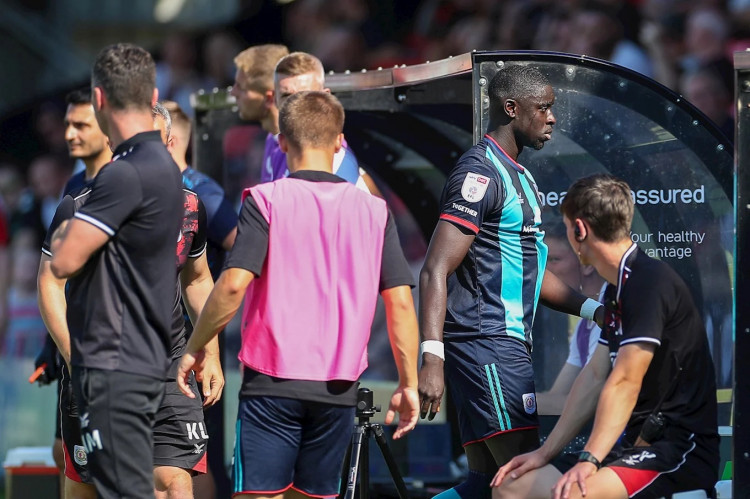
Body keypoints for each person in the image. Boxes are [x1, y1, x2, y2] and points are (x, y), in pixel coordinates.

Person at [176, 91, 420, 499]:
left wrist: (196, 345)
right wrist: (408, 382)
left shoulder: (265, 200)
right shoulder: (375, 211)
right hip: (340, 387)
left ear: (283, 142)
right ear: (340, 141)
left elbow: (233, 283)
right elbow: (399, 303)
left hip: (272, 382)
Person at [417, 64, 603, 499]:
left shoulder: (522, 176)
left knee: (487, 483)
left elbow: (532, 274)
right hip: (487, 344)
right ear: (512, 108)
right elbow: (434, 268)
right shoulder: (478, 176)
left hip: (501, 345)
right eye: (543, 108)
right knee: (526, 475)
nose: (552, 117)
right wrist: (431, 357)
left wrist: (595, 310)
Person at [492, 174, 719, 499]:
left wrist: (589, 458)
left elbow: (625, 380)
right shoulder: (616, 289)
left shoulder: (648, 283)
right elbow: (596, 373)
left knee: (568, 494)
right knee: (512, 485)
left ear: (579, 230)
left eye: (568, 228)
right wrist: (545, 454)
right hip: (633, 448)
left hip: (677, 451)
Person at [47, 43, 185, 499]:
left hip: (115, 367)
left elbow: (63, 260)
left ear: (100, 99)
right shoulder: (163, 165)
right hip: (142, 359)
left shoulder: (122, 175)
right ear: (154, 95)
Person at [33, 86, 113, 493]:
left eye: (80, 124)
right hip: (78, 358)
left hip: (138, 362)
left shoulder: (151, 188)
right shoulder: (73, 190)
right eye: (67, 124)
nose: (69, 134)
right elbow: (54, 279)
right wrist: (57, 351)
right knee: (65, 455)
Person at [263, 51, 370, 192]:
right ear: (274, 100)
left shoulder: (338, 166)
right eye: (286, 96)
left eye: (306, 95)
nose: (295, 105)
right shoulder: (277, 145)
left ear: (325, 97)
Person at [535, 217, 606, 415]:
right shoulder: (586, 323)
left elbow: (591, 403)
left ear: (586, 263)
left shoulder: (609, 311)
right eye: (541, 261)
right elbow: (557, 396)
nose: (543, 272)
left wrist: (507, 402)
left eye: (554, 260)